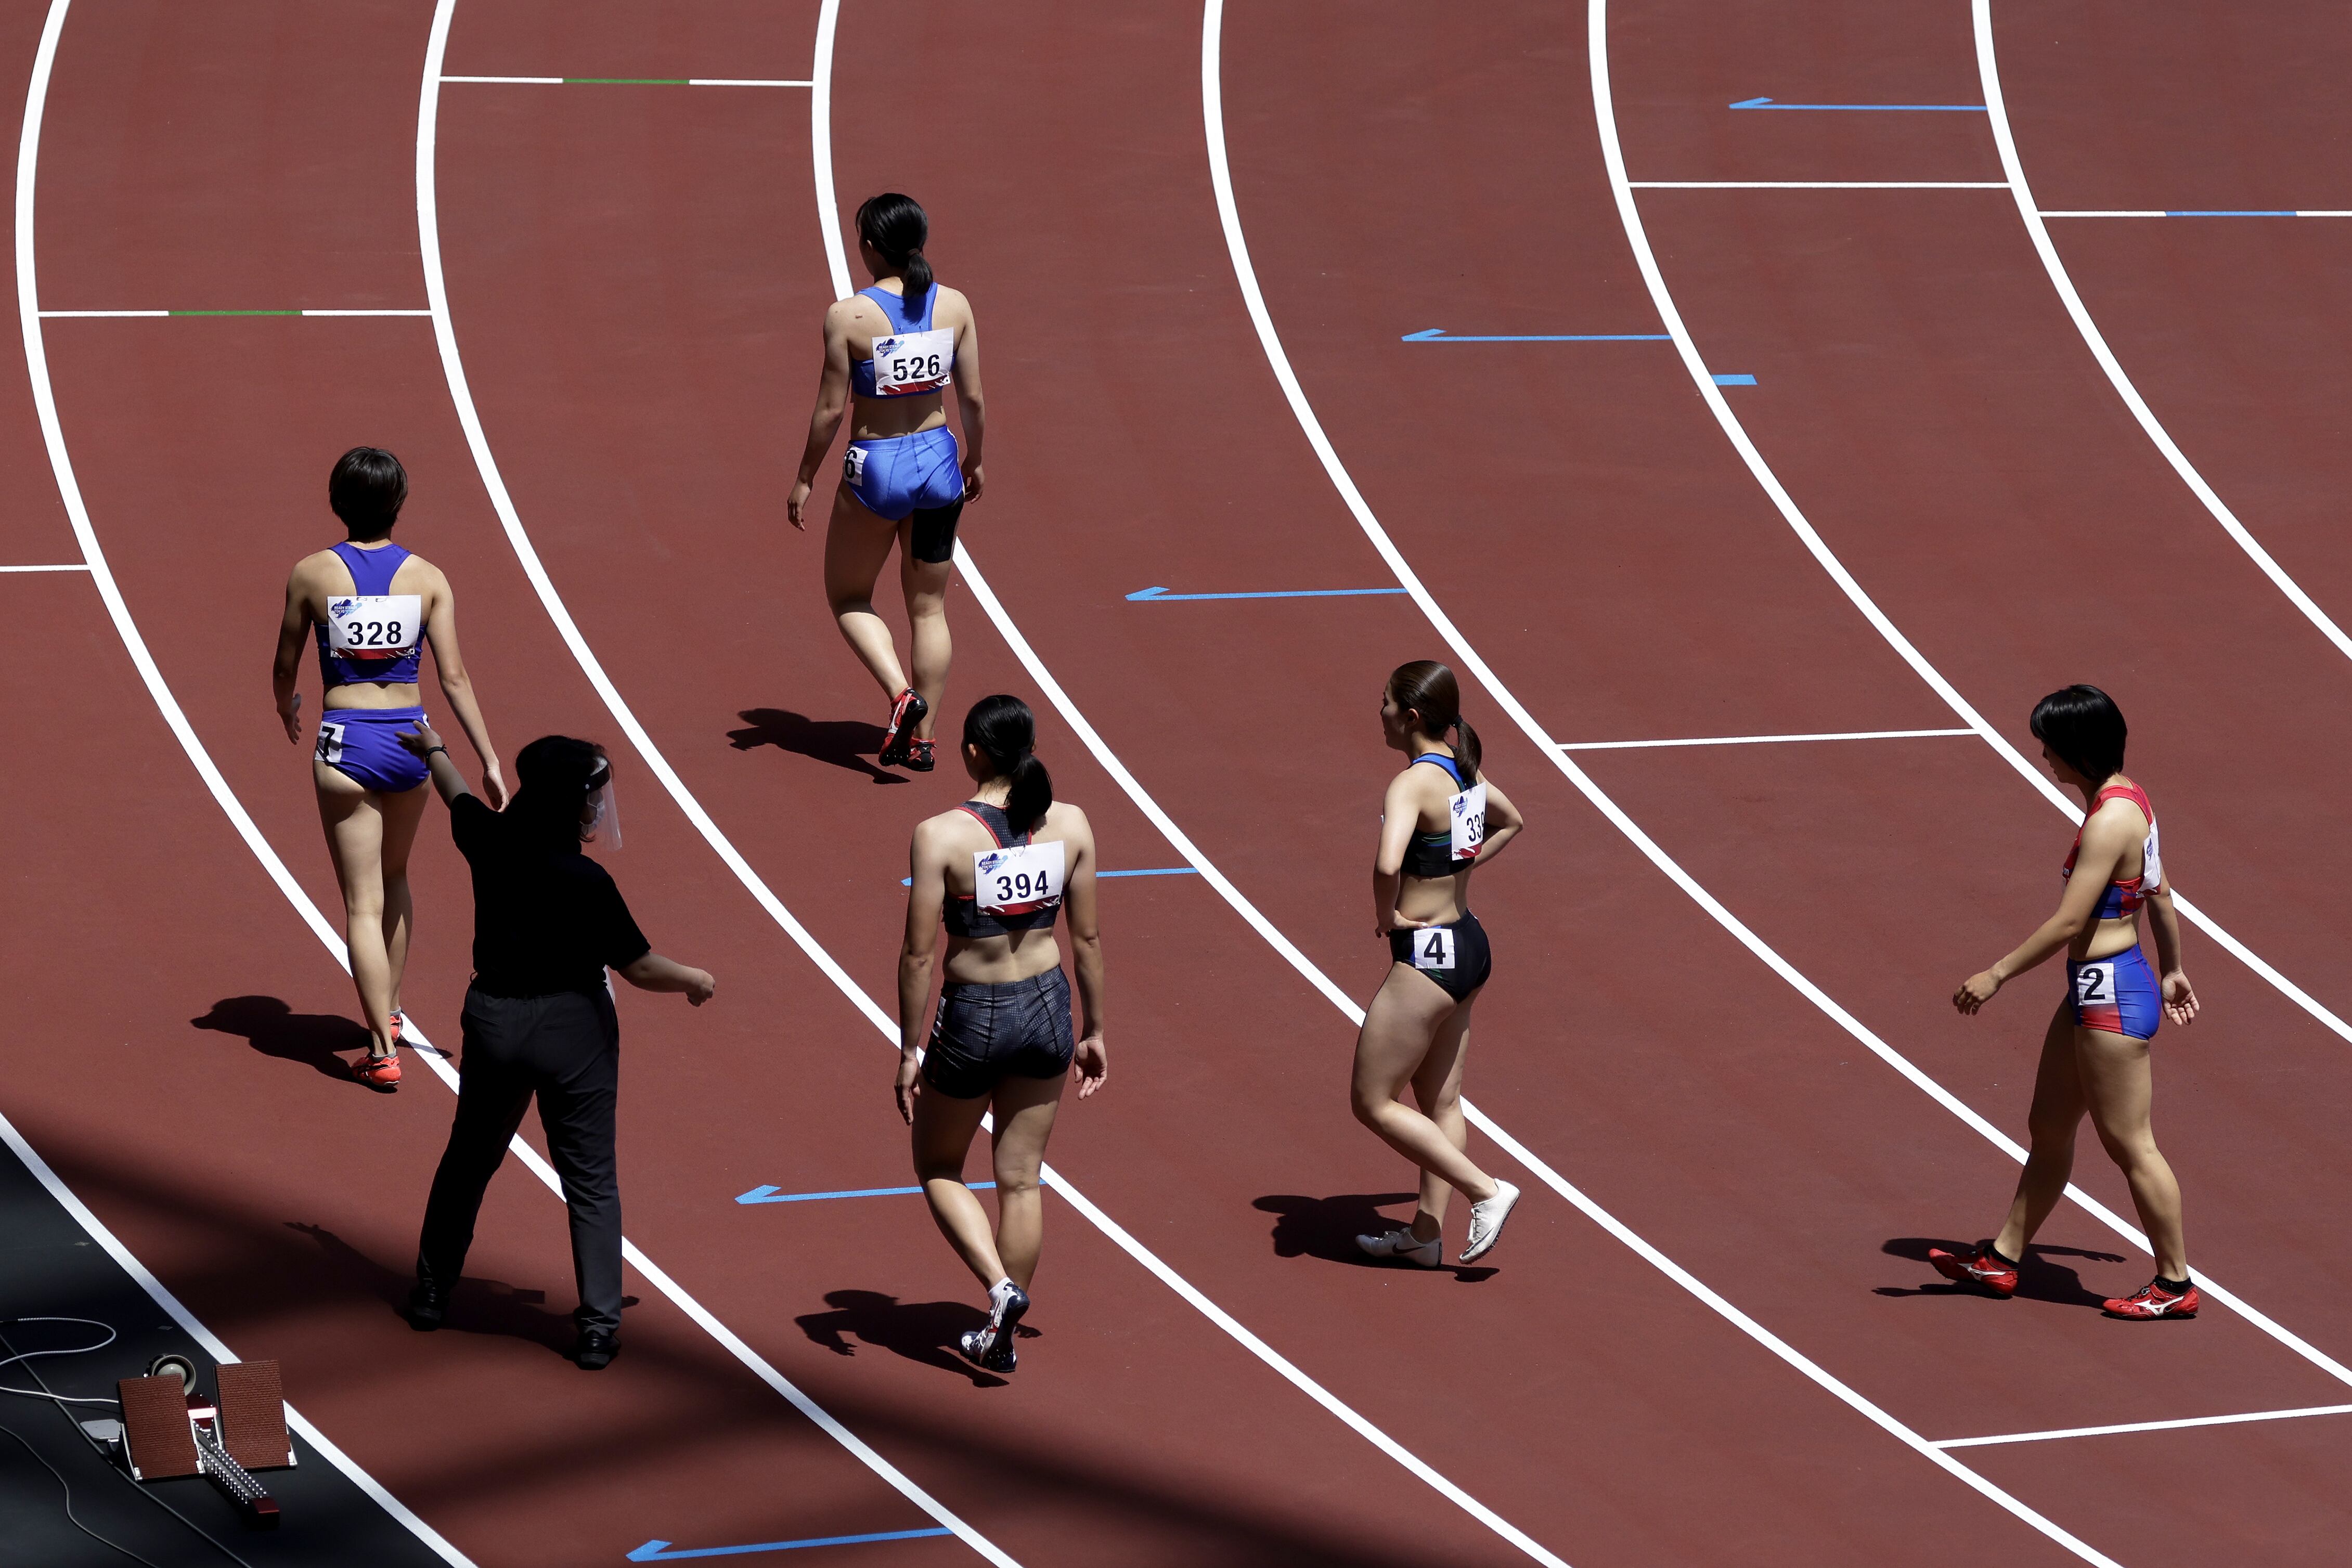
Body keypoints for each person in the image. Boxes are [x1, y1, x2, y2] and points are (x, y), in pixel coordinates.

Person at [397, 727, 715, 1369]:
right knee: (591, 1180)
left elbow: (458, 797)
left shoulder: (488, 842)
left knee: (469, 1158)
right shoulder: (587, 878)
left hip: (493, 1020)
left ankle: (432, 1290)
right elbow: (638, 966)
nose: (599, 808)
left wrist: (433, 749)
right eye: (593, 797)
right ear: (572, 801)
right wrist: (694, 979)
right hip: (572, 1029)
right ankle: (598, 1326)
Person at [1937, 685, 2200, 1319]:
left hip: (2109, 990)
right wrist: (2174, 970)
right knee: (2049, 1127)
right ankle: (2000, 1259)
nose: (2044, 758)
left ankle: (2174, 1285)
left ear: (2078, 751)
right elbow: (2160, 894)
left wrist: (1996, 974)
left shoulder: (2111, 820)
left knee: (2131, 1145)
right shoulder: (2126, 797)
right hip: (2097, 986)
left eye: (2049, 748)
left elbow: (2065, 924)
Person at [273, 447, 504, 1089]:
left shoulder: (313, 573)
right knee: (396, 878)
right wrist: (487, 759)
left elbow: (286, 661)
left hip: (346, 741)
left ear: (335, 501)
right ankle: (392, 1011)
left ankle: (380, 1050)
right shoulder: (429, 579)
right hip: (409, 743)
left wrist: (284, 705)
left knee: (360, 902)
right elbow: (453, 677)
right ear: (399, 504)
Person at [898, 697, 1105, 1373]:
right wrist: (1095, 1027)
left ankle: (999, 1288)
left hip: (975, 1012)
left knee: (936, 1165)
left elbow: (919, 953)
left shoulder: (940, 835)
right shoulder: (1070, 823)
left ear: (974, 753)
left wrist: (908, 1048)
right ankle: (1001, 1327)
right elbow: (1088, 937)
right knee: (1021, 1180)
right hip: (1048, 1006)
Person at [786, 192, 985, 773]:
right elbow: (970, 397)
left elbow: (829, 411)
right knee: (929, 610)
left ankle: (901, 696)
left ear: (870, 248)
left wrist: (804, 479)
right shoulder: (955, 306)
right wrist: (976, 459)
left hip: (877, 468)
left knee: (848, 597)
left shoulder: (848, 315)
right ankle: (924, 740)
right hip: (939, 464)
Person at [1351, 661, 1526, 1267]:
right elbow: (1512, 821)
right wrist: (1459, 870)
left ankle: (1486, 1190)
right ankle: (1425, 1237)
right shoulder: (1463, 768)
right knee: (1441, 1103)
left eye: (1384, 703)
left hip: (1428, 956)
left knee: (1371, 1101)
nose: (1379, 713)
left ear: (1411, 716)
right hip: (1469, 940)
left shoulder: (1410, 785)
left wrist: (1389, 917)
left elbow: (1384, 864)